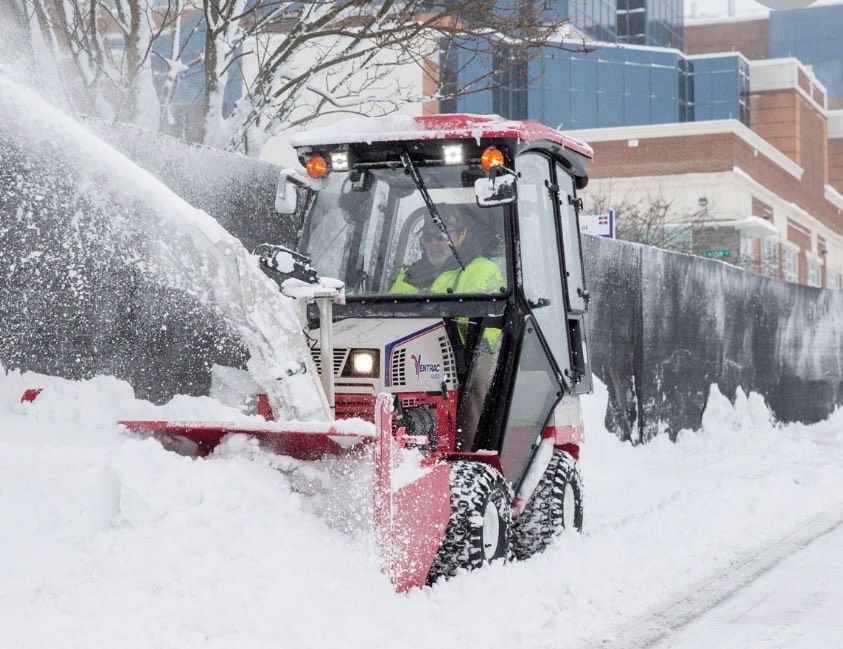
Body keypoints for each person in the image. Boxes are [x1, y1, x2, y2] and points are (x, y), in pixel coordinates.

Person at [389, 207, 503, 296]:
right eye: (428, 238)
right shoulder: (410, 276)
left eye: (441, 237)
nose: (434, 243)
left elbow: (491, 322)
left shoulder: (483, 271)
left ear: (461, 235)